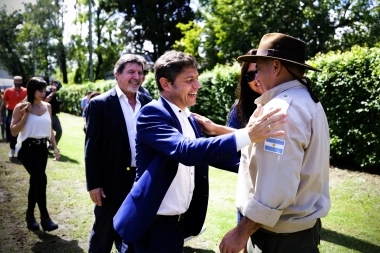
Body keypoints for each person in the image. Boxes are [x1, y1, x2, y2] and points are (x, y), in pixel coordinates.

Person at [113, 50, 287, 253]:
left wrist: (258, 165)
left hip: (178, 223)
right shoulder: (152, 114)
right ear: (166, 84)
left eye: (196, 78)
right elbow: (185, 151)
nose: (198, 85)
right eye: (189, 80)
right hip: (152, 223)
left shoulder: (188, 116)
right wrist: (247, 134)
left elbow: (207, 153)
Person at [219, 33, 331, 253]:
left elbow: (275, 187)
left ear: (277, 67)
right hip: (299, 235)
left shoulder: (280, 109)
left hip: (277, 240)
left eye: (258, 69)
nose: (255, 77)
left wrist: (240, 232)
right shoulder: (308, 101)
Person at [85, 54, 152, 253]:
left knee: (135, 233)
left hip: (140, 180)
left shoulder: (148, 102)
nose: (137, 77)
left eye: (140, 73)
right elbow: (91, 148)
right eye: (131, 72)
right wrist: (94, 184)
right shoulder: (100, 104)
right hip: (110, 183)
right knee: (103, 233)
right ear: (117, 75)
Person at [10, 77, 60, 232]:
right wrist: (25, 115)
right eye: (40, 90)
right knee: (41, 178)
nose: (43, 93)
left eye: (45, 90)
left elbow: (49, 128)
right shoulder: (21, 107)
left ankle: (30, 215)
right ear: (32, 90)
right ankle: (45, 218)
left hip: (42, 150)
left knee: (35, 181)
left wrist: (55, 147)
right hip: (26, 149)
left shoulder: (47, 106)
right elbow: (13, 131)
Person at [227, 48, 263, 253]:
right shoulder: (239, 109)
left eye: (259, 71)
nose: (256, 78)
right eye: (250, 74)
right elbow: (232, 148)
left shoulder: (285, 105)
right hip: (249, 191)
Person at [0, 76, 27, 157]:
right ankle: (12, 149)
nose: (18, 82)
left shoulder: (26, 91)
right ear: (14, 81)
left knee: (23, 131)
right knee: (11, 130)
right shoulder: (8, 91)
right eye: (16, 81)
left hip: (23, 112)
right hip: (11, 113)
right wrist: (1, 113)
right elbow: (4, 103)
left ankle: (20, 149)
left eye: (19, 81)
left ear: (21, 81)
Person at [44, 80, 63, 147]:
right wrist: (52, 93)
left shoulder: (58, 93)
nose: (56, 85)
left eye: (57, 84)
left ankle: (52, 145)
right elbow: (45, 101)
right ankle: (47, 146)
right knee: (47, 133)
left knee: (59, 131)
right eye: (54, 84)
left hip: (54, 115)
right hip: (46, 115)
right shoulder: (47, 91)